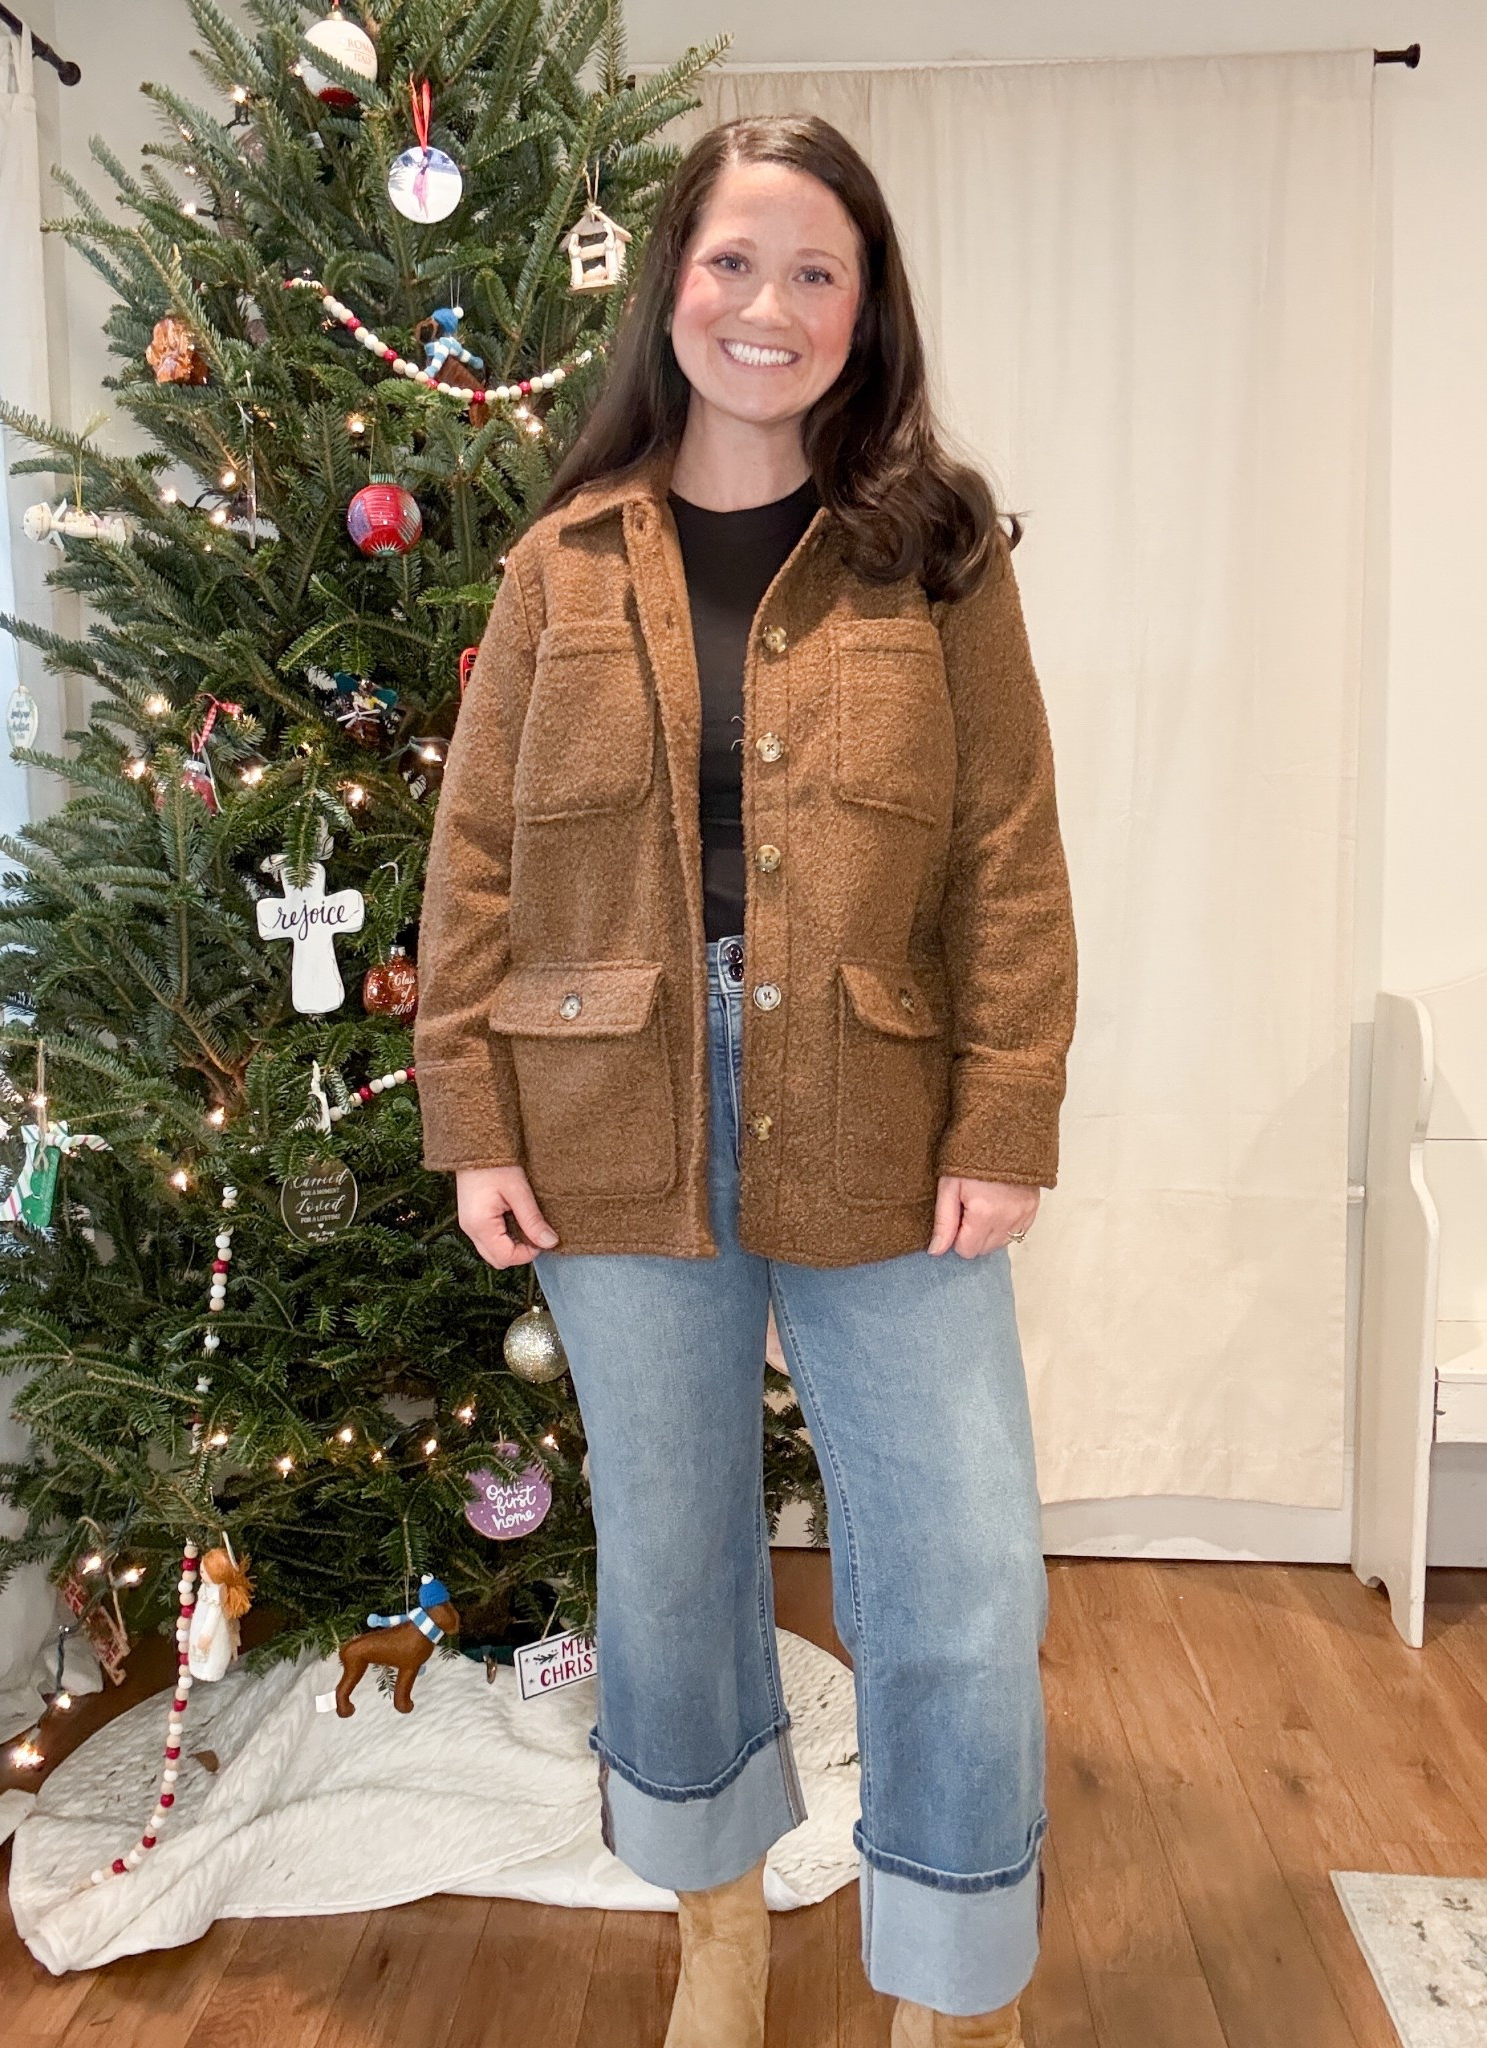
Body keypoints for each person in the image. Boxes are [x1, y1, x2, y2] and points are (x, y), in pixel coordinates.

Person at [414, 111, 1078, 2048]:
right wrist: (475, 1117)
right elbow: (473, 859)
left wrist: (1005, 1111)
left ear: (864, 311)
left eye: (815, 271)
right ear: (670, 286)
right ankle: (718, 1924)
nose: (767, 306)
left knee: (956, 1569)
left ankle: (952, 1984)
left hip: (881, 1100)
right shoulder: (566, 560)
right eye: (732, 262)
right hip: (607, 1104)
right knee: (679, 1558)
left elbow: (1010, 853)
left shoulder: (937, 549)